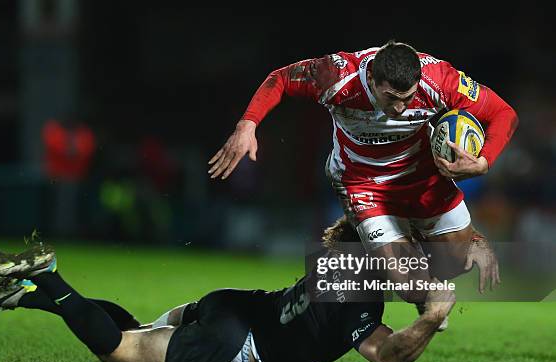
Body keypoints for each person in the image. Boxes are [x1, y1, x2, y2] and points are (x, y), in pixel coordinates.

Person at [0, 218, 497, 362]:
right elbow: (389, 356)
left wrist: (429, 299)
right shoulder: (359, 305)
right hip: (237, 343)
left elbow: (392, 271)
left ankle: (30, 294)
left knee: (137, 328)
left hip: (235, 303)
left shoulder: (337, 259)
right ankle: (52, 283)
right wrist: (430, 319)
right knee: (123, 354)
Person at [208, 40, 515, 311]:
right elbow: (281, 78)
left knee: (458, 261)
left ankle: (410, 241)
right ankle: (392, 256)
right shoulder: (337, 75)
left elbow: (504, 113)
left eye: (407, 98)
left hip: (421, 176)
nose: (399, 108)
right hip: (362, 183)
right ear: (371, 78)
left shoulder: (439, 79)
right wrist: (247, 125)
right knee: (412, 289)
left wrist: (484, 162)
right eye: (390, 97)